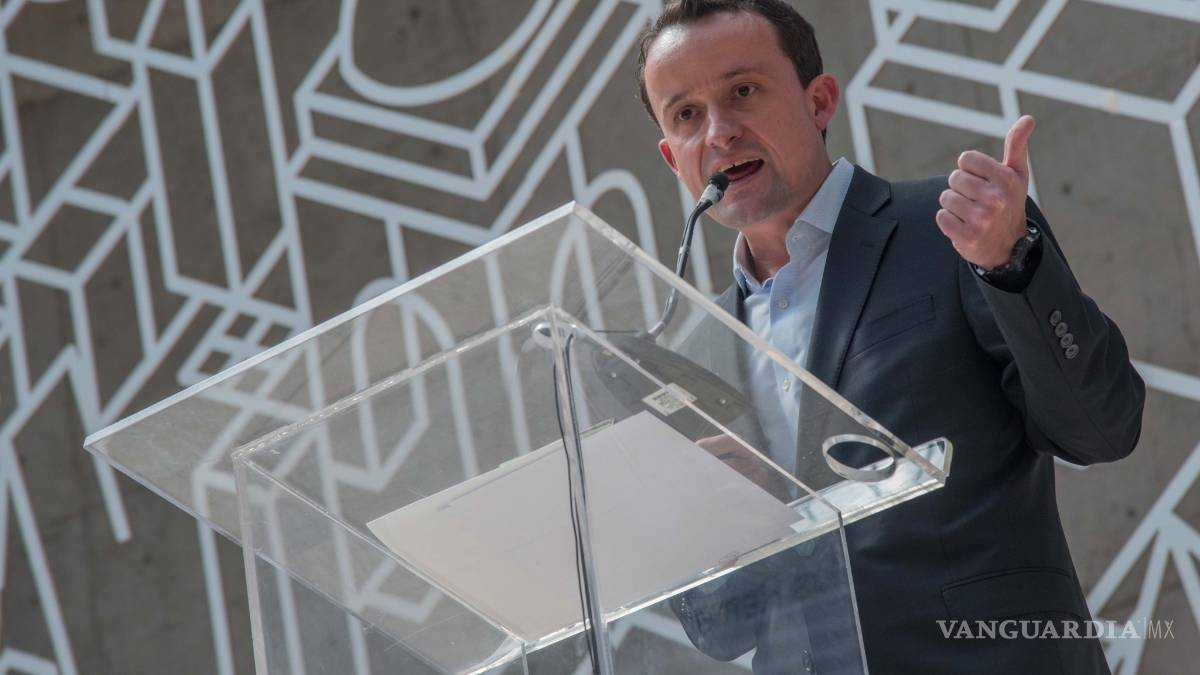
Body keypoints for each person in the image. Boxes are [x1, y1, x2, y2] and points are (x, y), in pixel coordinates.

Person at [636, 1, 1146, 674]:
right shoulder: (696, 349)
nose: (719, 132)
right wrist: (723, 520)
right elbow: (724, 629)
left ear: (819, 101)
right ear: (672, 158)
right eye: (686, 115)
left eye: (743, 91)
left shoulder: (956, 232)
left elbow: (1103, 428)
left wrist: (1012, 265)